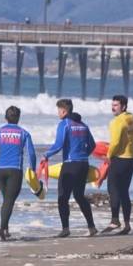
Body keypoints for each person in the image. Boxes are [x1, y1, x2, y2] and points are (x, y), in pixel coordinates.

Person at [43, 99, 97, 238]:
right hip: (83, 164)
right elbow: (92, 145)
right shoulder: (83, 125)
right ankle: (91, 227)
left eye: (58, 110)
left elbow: (58, 144)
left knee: (63, 197)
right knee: (79, 196)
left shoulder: (64, 124)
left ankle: (65, 229)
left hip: (70, 164)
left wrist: (46, 155)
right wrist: (84, 155)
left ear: (64, 111)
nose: (58, 113)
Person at [0, 106, 37, 241]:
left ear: (5, 118)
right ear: (18, 118)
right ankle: (2, 228)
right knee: (9, 201)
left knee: (7, 200)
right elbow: (31, 153)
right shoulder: (24, 133)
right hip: (15, 170)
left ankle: (5, 229)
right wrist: (33, 169)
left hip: (0, 170)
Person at [102, 95, 133, 235]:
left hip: (119, 159)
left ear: (123, 106)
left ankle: (115, 221)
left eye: (116, 105)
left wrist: (108, 156)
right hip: (131, 159)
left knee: (112, 188)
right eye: (112, 105)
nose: (112, 107)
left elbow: (113, 143)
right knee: (124, 192)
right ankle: (127, 224)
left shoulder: (116, 121)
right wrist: (129, 143)